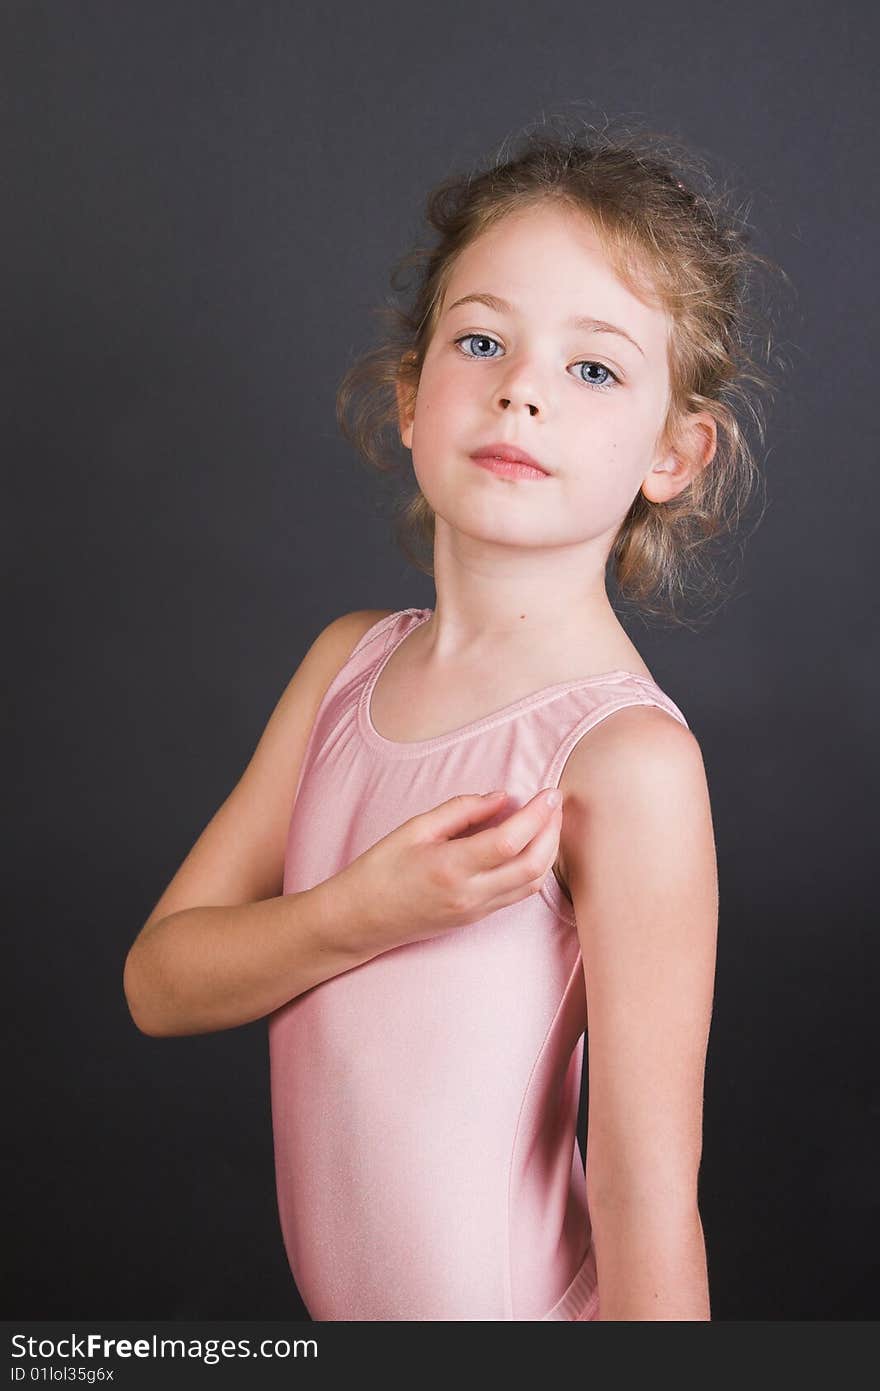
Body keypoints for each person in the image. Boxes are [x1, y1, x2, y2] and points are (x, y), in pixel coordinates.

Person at [123, 116, 781, 1321]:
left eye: (592, 368)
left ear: (674, 451)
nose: (522, 389)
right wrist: (362, 912)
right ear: (412, 399)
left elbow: (646, 1198)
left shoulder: (625, 762)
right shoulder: (343, 670)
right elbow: (161, 981)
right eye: (482, 340)